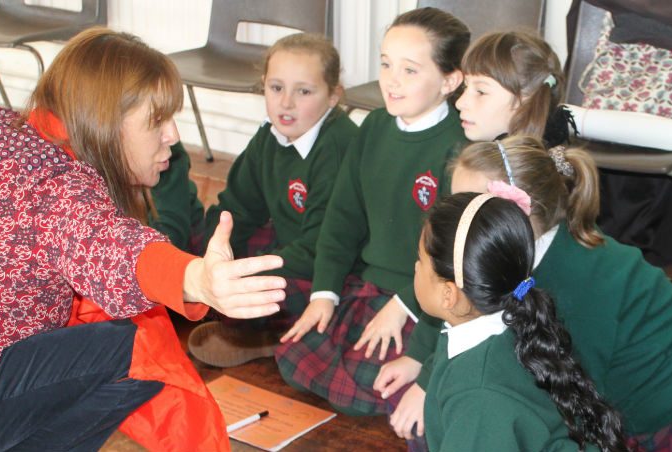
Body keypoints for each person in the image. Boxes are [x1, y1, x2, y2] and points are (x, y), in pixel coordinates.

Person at [0, 1, 287, 449]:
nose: (172, 135)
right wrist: (198, 279)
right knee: (135, 351)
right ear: (107, 125)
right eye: (157, 121)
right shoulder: (60, 191)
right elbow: (119, 251)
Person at [384, 136, 672, 450]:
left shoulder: (568, 280)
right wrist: (426, 372)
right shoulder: (530, 257)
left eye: (470, 202)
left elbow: (577, 396)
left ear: (518, 213)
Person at [376, 29, 576, 441]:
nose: (461, 101)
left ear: (522, 101)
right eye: (464, 87)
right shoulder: (489, 159)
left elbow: (466, 293)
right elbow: (457, 289)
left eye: (479, 91)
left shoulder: (509, 184)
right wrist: (421, 361)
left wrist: (430, 383)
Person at [274, 7, 469, 416]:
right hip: (365, 283)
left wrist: (405, 308)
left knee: (371, 387)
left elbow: (455, 257)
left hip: (425, 300)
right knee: (293, 355)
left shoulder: (461, 148)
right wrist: (324, 294)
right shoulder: (374, 127)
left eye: (410, 70)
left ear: (450, 80)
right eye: (385, 64)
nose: (391, 80)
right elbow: (342, 219)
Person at [183, 33, 359, 368]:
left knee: (258, 294)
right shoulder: (270, 135)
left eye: (304, 91)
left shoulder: (337, 148)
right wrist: (209, 264)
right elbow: (236, 208)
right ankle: (257, 328)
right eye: (276, 88)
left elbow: (321, 249)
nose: (286, 103)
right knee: (198, 250)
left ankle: (267, 337)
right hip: (291, 247)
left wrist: (240, 276)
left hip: (332, 268)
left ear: (333, 96)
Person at [417, 192, 626, 451]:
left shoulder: (478, 396)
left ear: (448, 295)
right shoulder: (510, 322)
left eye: (420, 261)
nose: (415, 268)